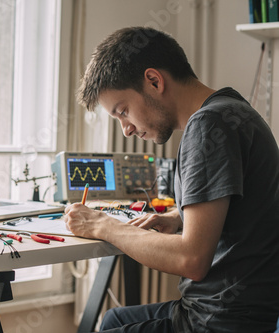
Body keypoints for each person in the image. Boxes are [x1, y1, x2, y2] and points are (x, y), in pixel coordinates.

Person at [64, 26, 279, 333]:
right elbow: (242, 206)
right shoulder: (233, 109)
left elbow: (192, 259)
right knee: (113, 319)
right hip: (235, 311)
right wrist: (178, 217)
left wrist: (103, 225)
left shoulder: (207, 127)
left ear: (154, 81)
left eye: (123, 111)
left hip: (217, 322)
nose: (126, 129)